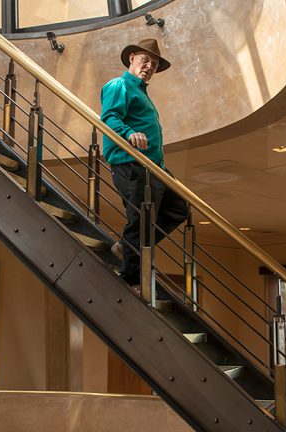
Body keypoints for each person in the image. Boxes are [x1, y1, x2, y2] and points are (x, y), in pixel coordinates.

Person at [100, 38, 189, 287]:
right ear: (132, 58)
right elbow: (109, 117)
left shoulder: (142, 94)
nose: (149, 66)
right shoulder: (118, 85)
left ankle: (126, 246)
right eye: (145, 60)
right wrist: (129, 133)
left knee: (178, 209)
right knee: (141, 219)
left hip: (152, 166)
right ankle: (130, 280)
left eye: (154, 64)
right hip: (130, 162)